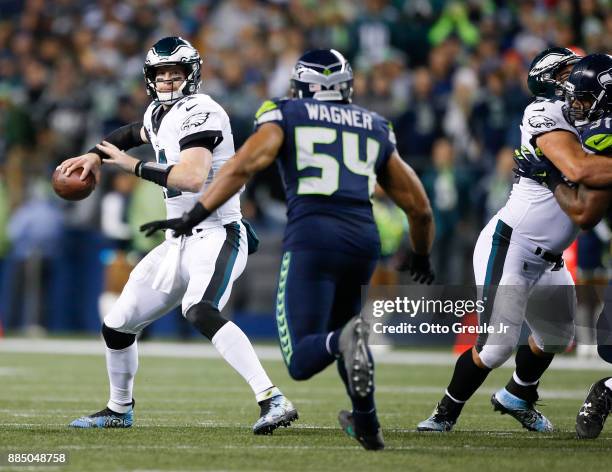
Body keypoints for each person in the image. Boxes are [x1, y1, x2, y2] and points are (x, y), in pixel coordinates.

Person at [140, 49, 435, 450]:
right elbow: (419, 207)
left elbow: (244, 166)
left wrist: (194, 216)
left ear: (300, 84)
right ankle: (367, 423)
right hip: (363, 241)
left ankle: (343, 343)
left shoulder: (285, 113)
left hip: (312, 237)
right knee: (346, 329)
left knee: (304, 357)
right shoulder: (375, 124)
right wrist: (420, 253)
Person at [57, 36, 297, 434]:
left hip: (219, 233)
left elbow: (191, 177)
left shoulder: (201, 110)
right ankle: (119, 409)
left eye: (176, 73)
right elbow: (130, 132)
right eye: (161, 74)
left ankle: (273, 398)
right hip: (177, 241)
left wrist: (129, 167)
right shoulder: (157, 113)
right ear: (150, 79)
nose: (168, 81)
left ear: (192, 75)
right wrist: (93, 155)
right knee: (117, 325)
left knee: (200, 310)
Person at [418, 47, 583, 433]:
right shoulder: (543, 112)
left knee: (557, 336)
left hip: (549, 257)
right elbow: (579, 166)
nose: (580, 81)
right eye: (572, 72)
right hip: (512, 243)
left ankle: (518, 395)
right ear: (552, 79)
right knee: (496, 345)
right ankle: (444, 413)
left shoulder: (588, 117)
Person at [513, 53, 612, 439]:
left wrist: (551, 175)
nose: (576, 106)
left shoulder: (601, 133)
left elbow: (582, 208)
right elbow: (587, 211)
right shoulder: (599, 131)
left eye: (584, 98)